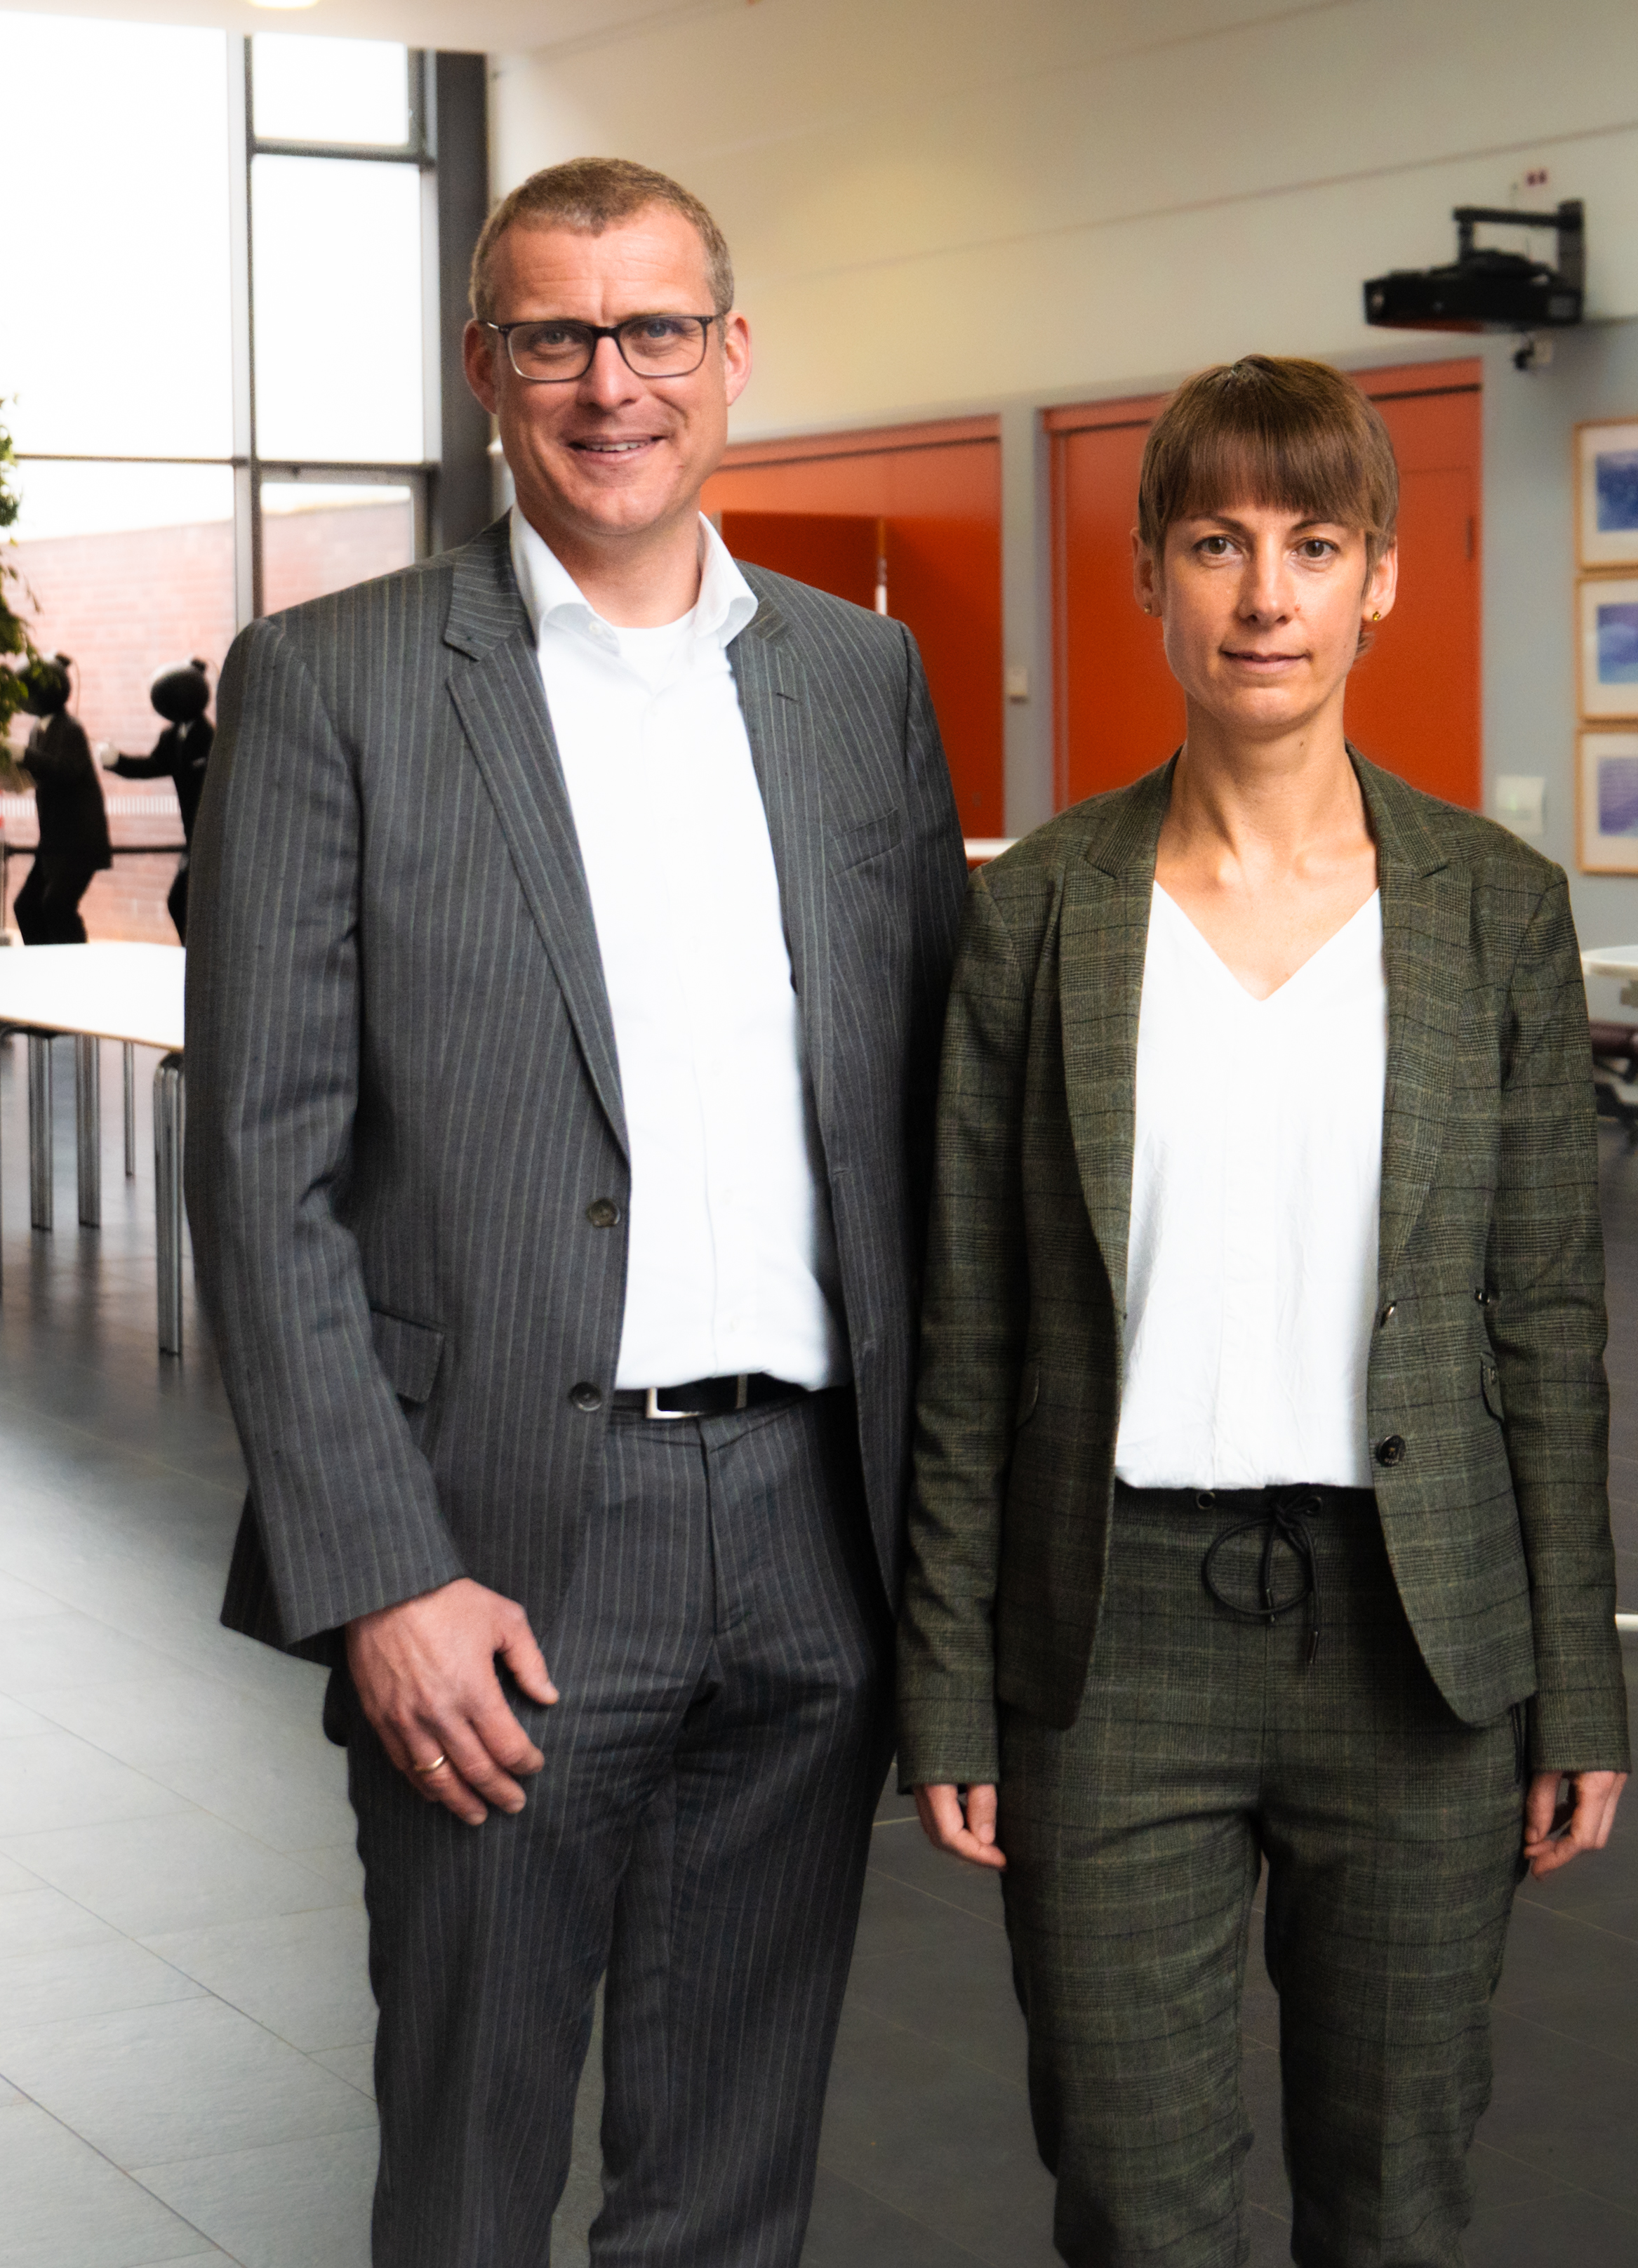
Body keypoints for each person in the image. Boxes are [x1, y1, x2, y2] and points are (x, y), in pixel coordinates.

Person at [185, 155, 971, 2268]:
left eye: (654, 331)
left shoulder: (849, 685)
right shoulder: (329, 683)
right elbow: (260, 1158)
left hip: (812, 1543)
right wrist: (383, 1573)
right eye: (556, 335)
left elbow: (929, 1124)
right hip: (496, 1563)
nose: (609, 383)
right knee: (467, 2173)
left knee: (733, 2180)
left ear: (731, 356)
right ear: (483, 369)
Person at [898, 356, 1629, 2268]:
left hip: (1415, 1639)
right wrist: (944, 1677)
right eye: (1215, 541)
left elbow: (1544, 1324)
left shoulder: (1489, 907)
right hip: (1106, 1633)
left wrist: (1579, 1677)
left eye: (1312, 542)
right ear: (1149, 568)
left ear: (1377, 574)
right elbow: (969, 1335)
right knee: (1135, 2204)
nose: (1262, 593)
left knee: (1393, 2194)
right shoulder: (1042, 907)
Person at [101, 654, 214, 940]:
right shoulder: (172, 736)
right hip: (194, 836)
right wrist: (118, 762)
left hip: (214, 836)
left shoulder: (209, 736)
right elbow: (153, 766)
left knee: (184, 902)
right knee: (180, 903)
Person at [10, 658, 109, 944]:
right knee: (26, 906)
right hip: (53, 841)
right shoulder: (37, 730)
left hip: (78, 841)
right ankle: (43, 966)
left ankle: (75, 970)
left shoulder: (70, 729)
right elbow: (41, 770)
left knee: (57, 906)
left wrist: (25, 757)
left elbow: (65, 771)